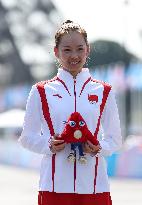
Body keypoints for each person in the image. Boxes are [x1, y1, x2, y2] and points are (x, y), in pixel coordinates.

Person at [19, 20, 122, 205]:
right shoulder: (41, 91)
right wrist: (49, 144)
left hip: (95, 187)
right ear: (56, 51)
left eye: (79, 49)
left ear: (87, 50)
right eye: (67, 49)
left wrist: (99, 148)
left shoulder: (104, 91)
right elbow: (27, 137)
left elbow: (115, 139)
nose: (74, 55)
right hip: (53, 187)